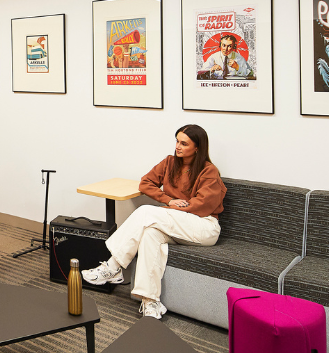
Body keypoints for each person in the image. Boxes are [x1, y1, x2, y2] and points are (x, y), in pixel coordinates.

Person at [82, 125, 226, 319]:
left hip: (203, 226)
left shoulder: (209, 171)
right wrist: (168, 200)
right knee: (150, 234)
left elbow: (202, 206)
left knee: (147, 213)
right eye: (177, 141)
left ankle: (113, 266)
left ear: (198, 147)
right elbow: (145, 183)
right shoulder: (169, 163)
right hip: (176, 225)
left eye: (184, 143)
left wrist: (167, 209)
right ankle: (150, 303)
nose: (178, 146)